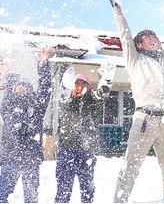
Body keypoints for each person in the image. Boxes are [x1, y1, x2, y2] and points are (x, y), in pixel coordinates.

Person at [103, 0, 164, 203]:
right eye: (149, 37)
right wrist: (117, 8)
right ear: (139, 44)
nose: (155, 39)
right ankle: (119, 200)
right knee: (131, 166)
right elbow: (125, 34)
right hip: (143, 121)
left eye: (155, 36)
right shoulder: (135, 60)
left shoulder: (162, 60)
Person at [54, 62, 116, 203]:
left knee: (87, 190)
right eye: (76, 84)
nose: (79, 86)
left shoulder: (94, 102)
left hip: (87, 152)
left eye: (83, 84)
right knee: (63, 189)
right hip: (66, 151)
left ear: (89, 88)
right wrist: (67, 83)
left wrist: (107, 78)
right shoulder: (66, 102)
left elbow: (102, 93)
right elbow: (63, 93)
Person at [0, 48, 51, 202]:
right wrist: (3, 74)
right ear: (13, 89)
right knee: (1, 195)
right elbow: (3, 90)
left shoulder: (37, 106)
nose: (22, 87)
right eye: (19, 85)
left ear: (31, 89)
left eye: (26, 85)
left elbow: (44, 89)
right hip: (11, 156)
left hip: (31, 158)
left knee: (31, 197)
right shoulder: (7, 105)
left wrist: (43, 65)